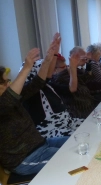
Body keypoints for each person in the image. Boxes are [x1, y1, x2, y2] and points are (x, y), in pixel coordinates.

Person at [0, 42, 68, 176]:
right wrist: (27, 68)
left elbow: (36, 84)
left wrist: (48, 60)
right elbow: (8, 101)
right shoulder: (5, 103)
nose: (9, 84)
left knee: (77, 143)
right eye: (5, 82)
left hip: (42, 144)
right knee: (73, 160)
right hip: (25, 160)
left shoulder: (11, 99)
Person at [23, 35, 83, 138]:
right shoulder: (29, 92)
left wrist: (55, 54)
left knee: (91, 124)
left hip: (68, 123)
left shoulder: (49, 86)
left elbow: (71, 88)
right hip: (53, 131)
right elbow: (42, 79)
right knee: (83, 135)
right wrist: (49, 58)